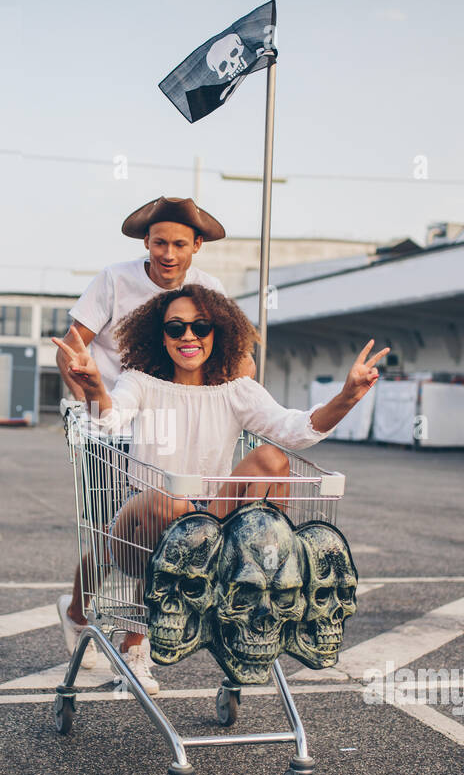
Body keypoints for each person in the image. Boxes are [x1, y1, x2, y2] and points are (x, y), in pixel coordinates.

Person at [53, 285, 387, 694]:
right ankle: (130, 641)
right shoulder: (139, 382)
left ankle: (258, 566)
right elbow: (109, 419)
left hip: (210, 529)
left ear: (218, 332)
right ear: (160, 335)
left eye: (200, 326)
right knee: (168, 504)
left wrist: (347, 397)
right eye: (175, 328)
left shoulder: (236, 392)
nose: (188, 336)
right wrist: (94, 389)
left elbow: (295, 430)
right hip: (144, 522)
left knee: (272, 459)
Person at [56, 196, 253, 679]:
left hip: (172, 419)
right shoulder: (114, 280)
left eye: (179, 244)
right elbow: (72, 346)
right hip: (112, 420)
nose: (168, 253)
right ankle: (79, 611)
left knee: (165, 528)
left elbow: (240, 356)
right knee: (112, 532)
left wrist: (243, 396)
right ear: (146, 242)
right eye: (160, 242)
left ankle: (135, 642)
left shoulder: (209, 289)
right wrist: (87, 407)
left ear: (197, 246)